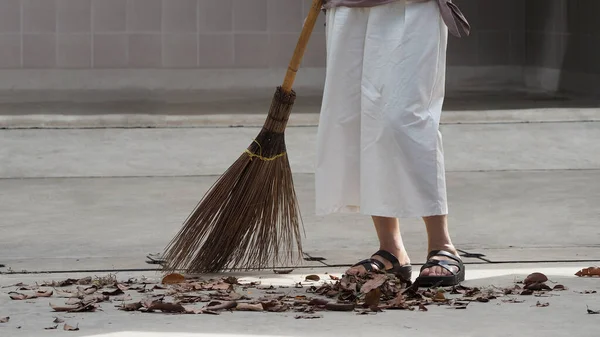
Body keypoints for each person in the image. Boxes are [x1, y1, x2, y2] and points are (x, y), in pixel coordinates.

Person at [315, 0, 470, 286]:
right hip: (349, 7)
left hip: (413, 7)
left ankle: (442, 244)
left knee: (403, 122)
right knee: (362, 120)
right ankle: (391, 250)